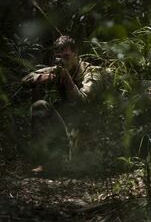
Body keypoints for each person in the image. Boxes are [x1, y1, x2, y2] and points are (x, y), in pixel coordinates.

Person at [22, 35, 111, 172]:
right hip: (68, 125)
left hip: (92, 129)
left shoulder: (92, 73)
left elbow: (83, 101)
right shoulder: (59, 69)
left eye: (66, 56)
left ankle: (65, 160)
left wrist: (68, 81)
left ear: (75, 54)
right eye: (58, 57)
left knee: (83, 168)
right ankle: (47, 162)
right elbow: (26, 79)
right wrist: (43, 77)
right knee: (39, 106)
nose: (62, 61)